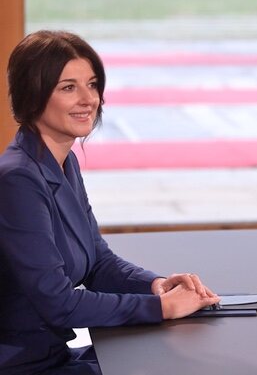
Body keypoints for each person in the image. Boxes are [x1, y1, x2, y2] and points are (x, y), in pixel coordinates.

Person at [0, 30, 221, 375]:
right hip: (24, 365)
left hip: (53, 355)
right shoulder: (18, 180)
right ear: (33, 96)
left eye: (92, 84)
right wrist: (161, 308)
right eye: (68, 87)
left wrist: (155, 286)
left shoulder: (62, 161)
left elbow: (98, 262)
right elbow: (59, 304)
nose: (89, 99)